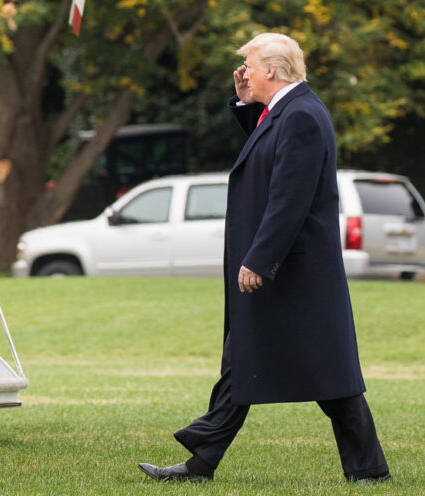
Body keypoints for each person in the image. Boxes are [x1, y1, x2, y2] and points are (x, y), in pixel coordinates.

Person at [138, 33, 390, 484]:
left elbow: (289, 199)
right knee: (246, 359)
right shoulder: (289, 112)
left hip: (292, 274)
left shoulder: (303, 118)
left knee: (329, 376)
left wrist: (260, 259)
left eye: (250, 66)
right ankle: (201, 462)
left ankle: (368, 471)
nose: (244, 73)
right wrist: (246, 104)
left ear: (272, 70)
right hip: (286, 271)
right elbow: (268, 154)